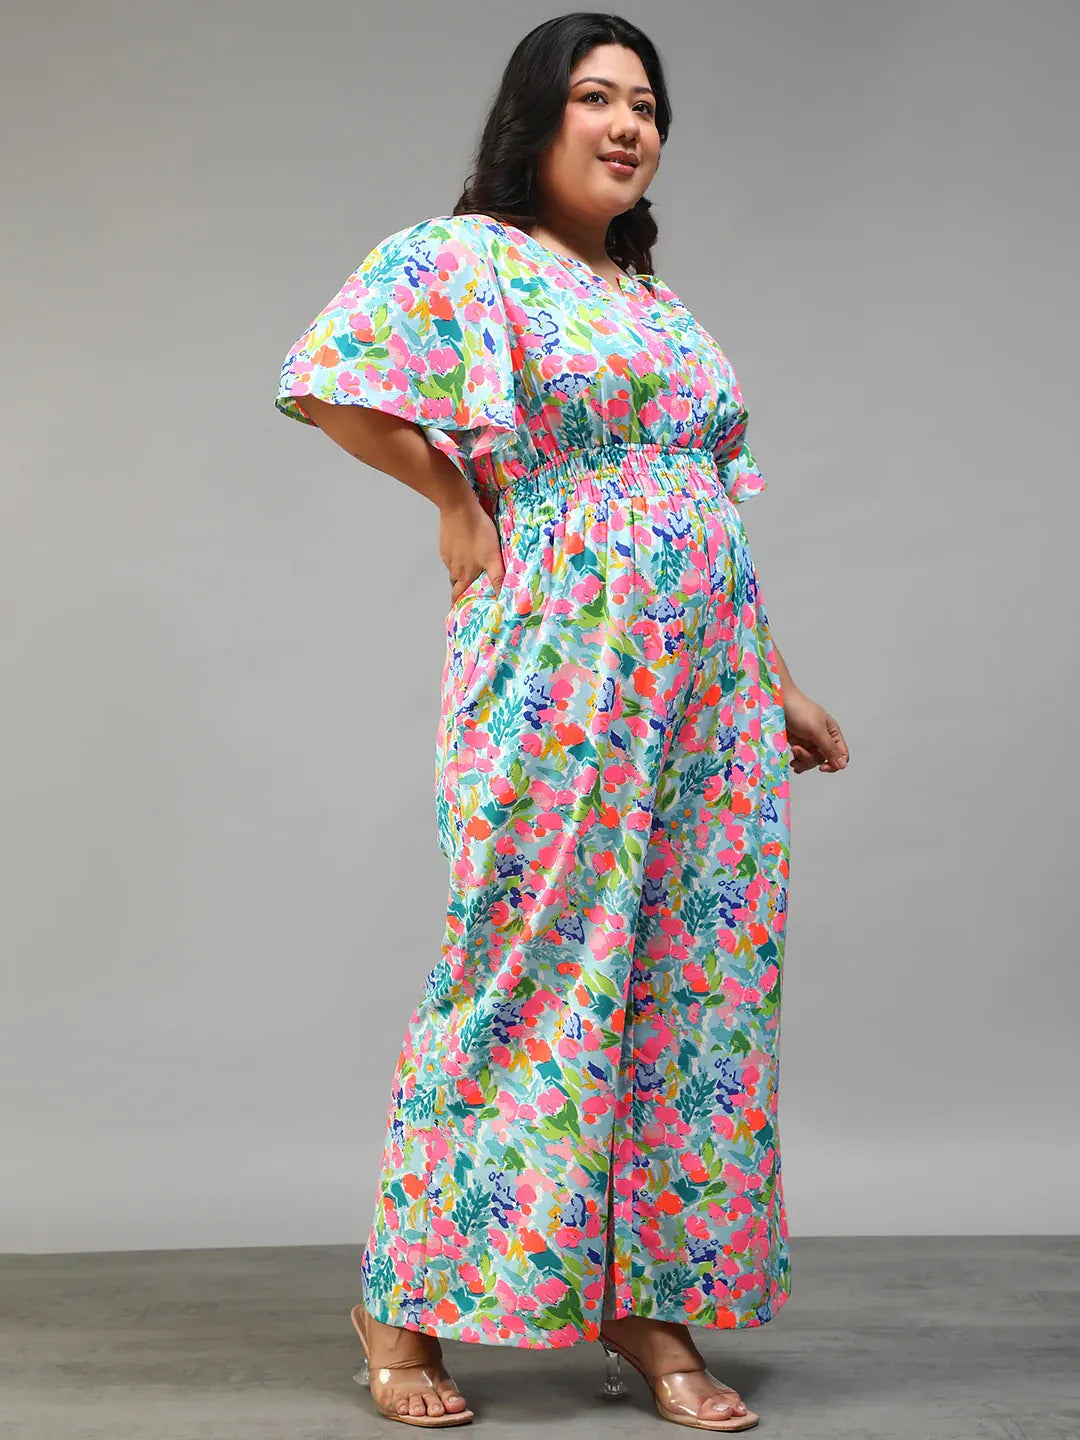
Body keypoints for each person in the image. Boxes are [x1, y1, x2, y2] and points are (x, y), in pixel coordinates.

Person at [274, 11, 849, 1432]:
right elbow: (327, 376)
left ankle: (645, 1306)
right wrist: (455, 498)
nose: (628, 125)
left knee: (696, 981)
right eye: (597, 97)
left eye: (646, 104)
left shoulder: (658, 305)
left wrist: (772, 676)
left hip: (707, 687)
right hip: (561, 661)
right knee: (525, 961)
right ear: (537, 118)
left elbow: (703, 505)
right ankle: (403, 1306)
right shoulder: (467, 257)